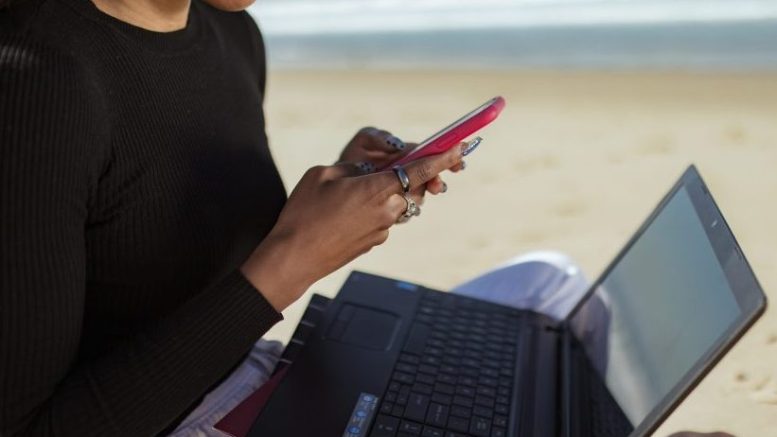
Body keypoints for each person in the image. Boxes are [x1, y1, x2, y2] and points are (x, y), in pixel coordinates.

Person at [0, 0, 736, 436]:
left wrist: (338, 193)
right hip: (167, 419)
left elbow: (154, 233)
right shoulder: (38, 79)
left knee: (551, 283)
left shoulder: (230, 33)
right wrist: (293, 260)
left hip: (259, 371)